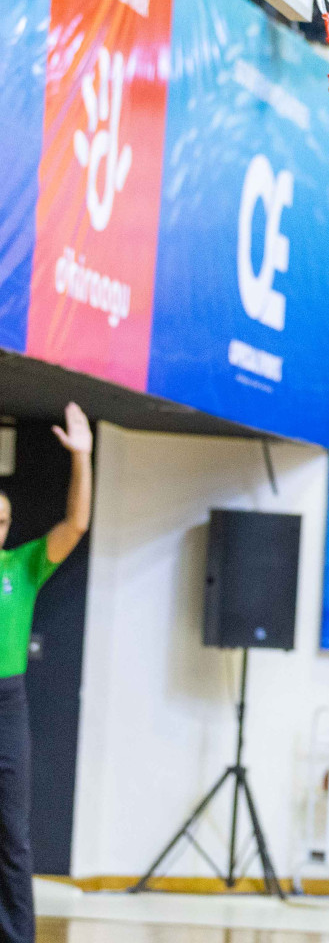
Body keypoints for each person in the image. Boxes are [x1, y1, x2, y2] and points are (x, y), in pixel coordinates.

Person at [0, 403, 92, 943]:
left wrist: (81, 457)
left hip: (8, 705)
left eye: (5, 521)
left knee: (13, 838)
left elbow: (76, 523)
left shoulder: (21, 567)